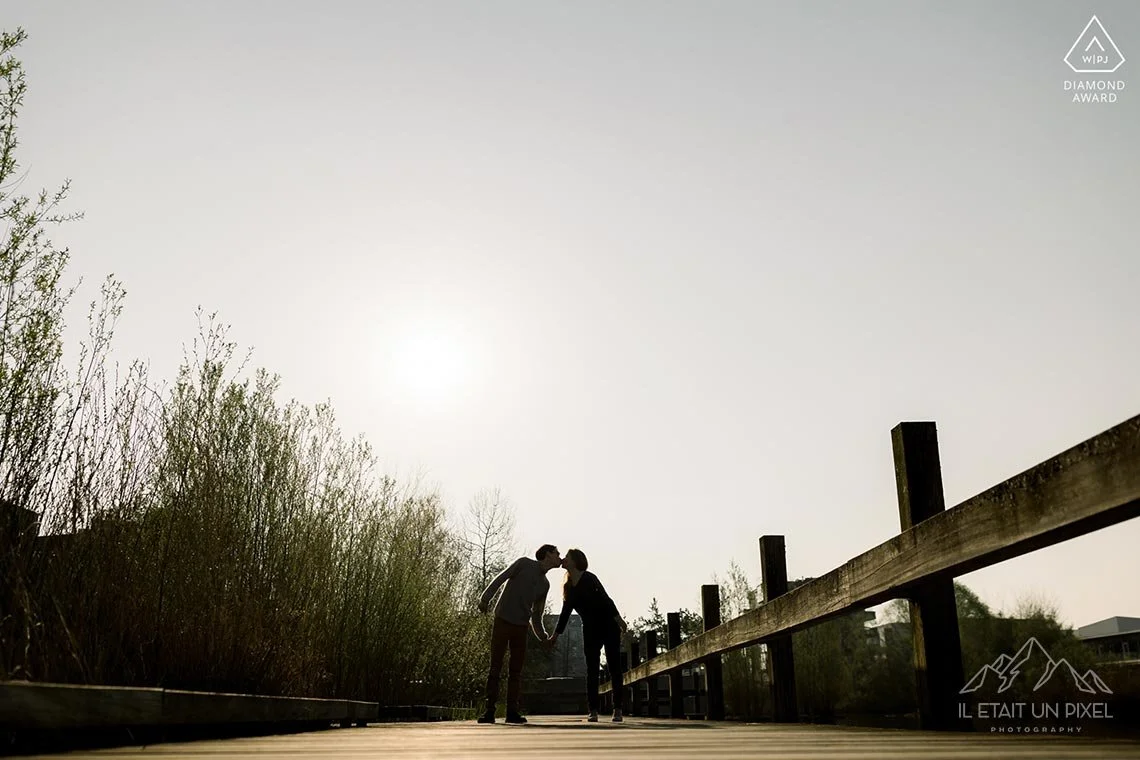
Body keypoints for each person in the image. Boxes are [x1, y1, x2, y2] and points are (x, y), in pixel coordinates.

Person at [476, 543, 563, 724]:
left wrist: (543, 637)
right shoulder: (524, 564)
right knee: (495, 667)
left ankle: (512, 712)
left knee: (516, 671)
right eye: (557, 553)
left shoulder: (544, 584)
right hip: (502, 620)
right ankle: (489, 711)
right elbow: (501, 578)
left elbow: (537, 615)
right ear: (547, 554)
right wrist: (485, 598)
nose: (559, 557)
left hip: (521, 627)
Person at [547, 548, 627, 722]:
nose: (563, 559)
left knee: (614, 667)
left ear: (575, 561)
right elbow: (565, 612)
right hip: (590, 629)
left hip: (608, 624)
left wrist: (619, 620)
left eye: (567, 557)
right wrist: (555, 635)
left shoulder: (589, 578)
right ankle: (593, 710)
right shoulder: (568, 586)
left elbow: (606, 599)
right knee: (592, 669)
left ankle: (618, 709)